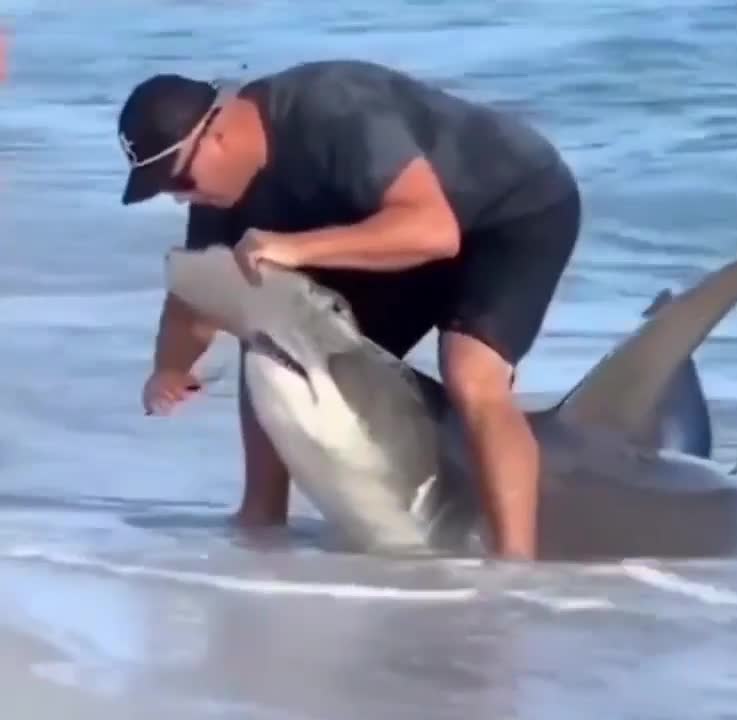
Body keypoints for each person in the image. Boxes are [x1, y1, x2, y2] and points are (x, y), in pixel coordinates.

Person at [118, 60, 581, 560]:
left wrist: (297, 251)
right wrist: (171, 366)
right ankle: (261, 521)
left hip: (513, 214)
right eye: (166, 189)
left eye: (180, 179)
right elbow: (196, 298)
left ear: (220, 132)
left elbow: (434, 232)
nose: (182, 198)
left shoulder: (332, 110)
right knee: (273, 343)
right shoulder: (217, 194)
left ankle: (517, 567)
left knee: (472, 376)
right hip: (396, 232)